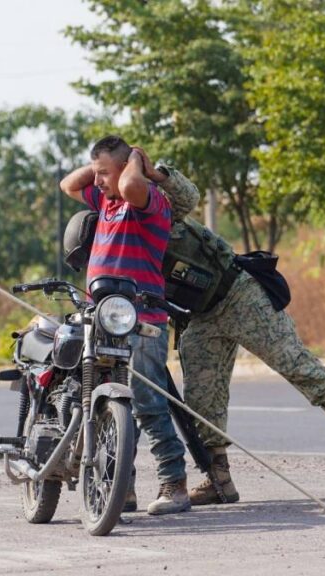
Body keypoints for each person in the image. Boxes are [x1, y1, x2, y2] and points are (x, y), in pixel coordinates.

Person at [131, 150, 325, 506]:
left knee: (294, 363)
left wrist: (153, 172)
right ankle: (219, 480)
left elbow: (188, 196)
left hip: (239, 294)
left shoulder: (152, 207)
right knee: (201, 399)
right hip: (199, 315)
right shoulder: (117, 229)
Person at [59, 136, 191, 516]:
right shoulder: (106, 200)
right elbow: (69, 184)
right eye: (96, 173)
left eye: (103, 173)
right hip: (102, 318)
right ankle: (121, 487)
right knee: (103, 403)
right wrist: (103, 165)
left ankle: (174, 484)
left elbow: (132, 184)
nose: (96, 181)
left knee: (148, 404)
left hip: (142, 320)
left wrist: (133, 159)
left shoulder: (149, 201)